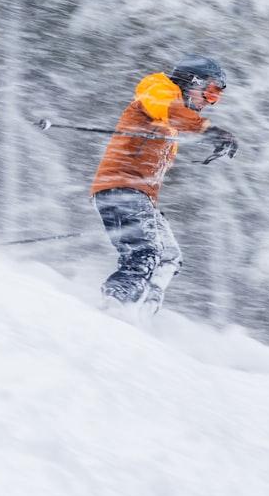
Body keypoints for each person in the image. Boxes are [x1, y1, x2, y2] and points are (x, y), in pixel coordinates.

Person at [90, 54, 238, 322]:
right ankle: (113, 309)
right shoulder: (158, 88)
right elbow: (165, 108)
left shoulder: (173, 121)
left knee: (169, 256)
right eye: (211, 92)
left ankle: (143, 311)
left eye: (217, 96)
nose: (210, 102)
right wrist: (209, 131)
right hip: (122, 189)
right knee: (145, 253)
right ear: (192, 81)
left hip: (137, 197)